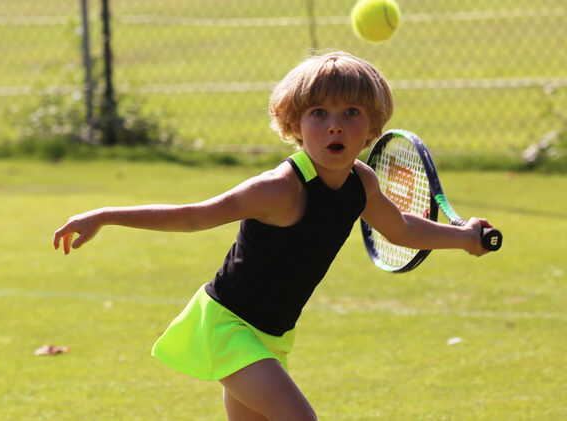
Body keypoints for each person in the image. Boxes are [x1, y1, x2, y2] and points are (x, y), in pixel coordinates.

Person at [51, 51, 494, 420]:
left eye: (351, 113)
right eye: (318, 113)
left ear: (372, 128)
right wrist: (104, 216)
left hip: (273, 336)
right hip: (226, 326)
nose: (335, 125)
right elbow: (192, 217)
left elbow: (403, 228)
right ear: (294, 125)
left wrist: (466, 238)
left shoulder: (362, 183)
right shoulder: (277, 189)